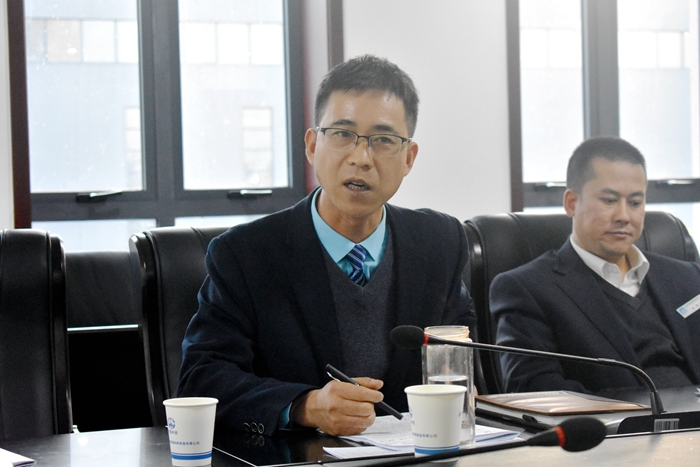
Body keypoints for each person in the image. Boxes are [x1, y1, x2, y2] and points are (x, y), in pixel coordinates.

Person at [178, 55, 473, 436]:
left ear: (408, 158)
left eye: (384, 140)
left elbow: (462, 360)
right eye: (342, 134)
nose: (361, 158)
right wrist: (305, 405)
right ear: (312, 145)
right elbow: (201, 380)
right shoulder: (245, 255)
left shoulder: (440, 243)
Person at [490, 136, 700, 395]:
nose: (624, 216)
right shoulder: (528, 290)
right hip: (614, 422)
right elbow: (535, 391)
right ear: (571, 203)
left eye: (635, 203)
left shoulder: (688, 278)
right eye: (609, 200)